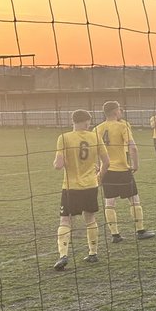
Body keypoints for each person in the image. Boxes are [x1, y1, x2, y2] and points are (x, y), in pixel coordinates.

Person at [53, 109, 107, 270]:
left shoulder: (64, 138)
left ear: (73, 122)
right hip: (91, 185)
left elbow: (58, 165)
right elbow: (107, 162)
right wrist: (99, 177)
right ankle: (93, 253)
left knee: (65, 220)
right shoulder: (95, 137)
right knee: (90, 219)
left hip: (71, 187)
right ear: (86, 122)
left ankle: (63, 255)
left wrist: (59, 162)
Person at [96, 101, 155, 243]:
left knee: (109, 203)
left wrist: (98, 167)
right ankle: (140, 230)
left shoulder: (97, 129)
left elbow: (94, 151)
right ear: (116, 112)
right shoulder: (123, 126)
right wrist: (135, 164)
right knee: (134, 200)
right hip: (122, 169)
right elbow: (133, 147)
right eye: (120, 110)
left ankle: (115, 235)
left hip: (107, 170)